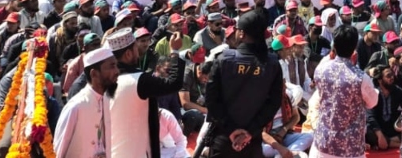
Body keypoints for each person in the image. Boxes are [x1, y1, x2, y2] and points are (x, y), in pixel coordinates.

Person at [203, 11, 284, 158]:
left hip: (223, 138)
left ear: (241, 33)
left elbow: (211, 100)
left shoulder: (224, 60)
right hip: (252, 142)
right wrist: (249, 132)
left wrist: (231, 129)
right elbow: (274, 103)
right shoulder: (272, 64)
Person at [105, 26, 187, 158]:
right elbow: (174, 83)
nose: (139, 52)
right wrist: (175, 51)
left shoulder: (106, 81)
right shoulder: (138, 80)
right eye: (135, 49)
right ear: (128, 54)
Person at [309, 25, 377, 158]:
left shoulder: (321, 70)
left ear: (334, 46)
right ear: (354, 48)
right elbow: (373, 102)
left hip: (323, 142)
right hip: (350, 147)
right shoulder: (361, 78)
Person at [52, 46, 119, 158]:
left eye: (116, 66)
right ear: (94, 74)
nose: (117, 71)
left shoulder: (108, 102)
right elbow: (58, 152)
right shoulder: (76, 107)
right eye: (112, 66)